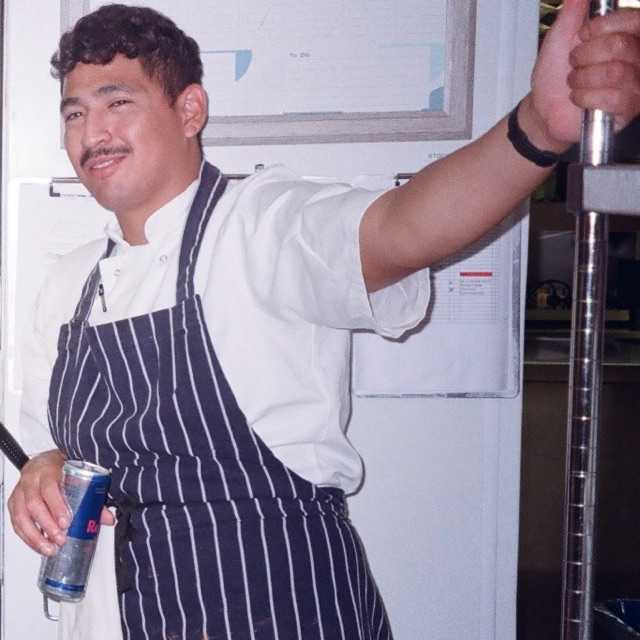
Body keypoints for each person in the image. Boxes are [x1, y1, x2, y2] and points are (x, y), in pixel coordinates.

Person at [8, 1, 640, 639]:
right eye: (74, 113)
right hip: (116, 616)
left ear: (190, 110)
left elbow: (403, 226)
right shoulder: (69, 285)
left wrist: (538, 131)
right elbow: (48, 446)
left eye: (118, 103)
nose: (92, 133)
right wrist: (43, 467)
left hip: (274, 605)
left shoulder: (261, 223)